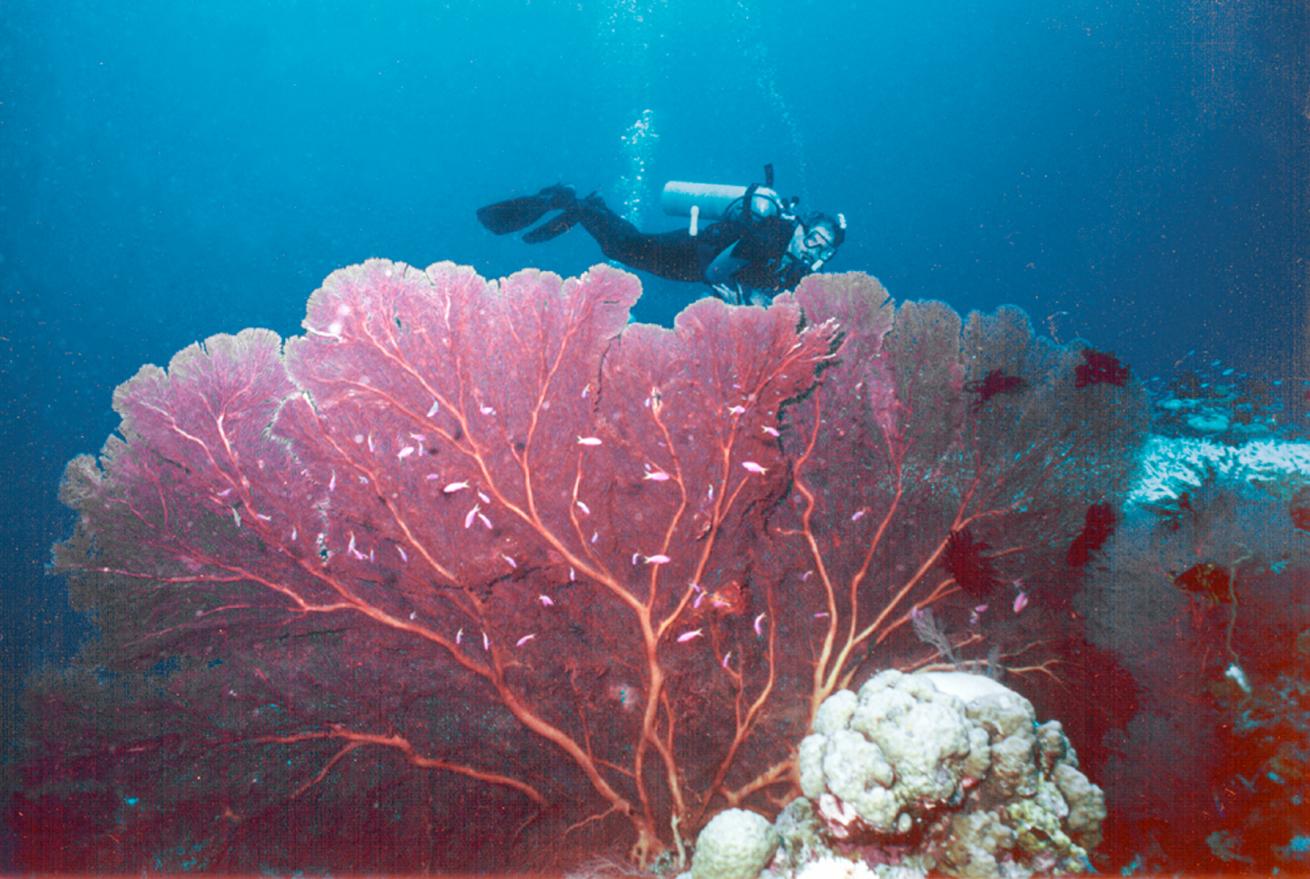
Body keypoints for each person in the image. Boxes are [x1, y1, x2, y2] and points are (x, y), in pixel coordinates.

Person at [476, 169, 845, 306]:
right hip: (693, 252)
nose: (814, 250)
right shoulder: (770, 237)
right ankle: (571, 201)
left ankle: (590, 205)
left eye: (824, 249)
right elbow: (718, 273)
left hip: (693, 263)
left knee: (626, 244)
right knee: (621, 247)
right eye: (814, 238)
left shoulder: (794, 267)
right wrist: (743, 300)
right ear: (803, 227)